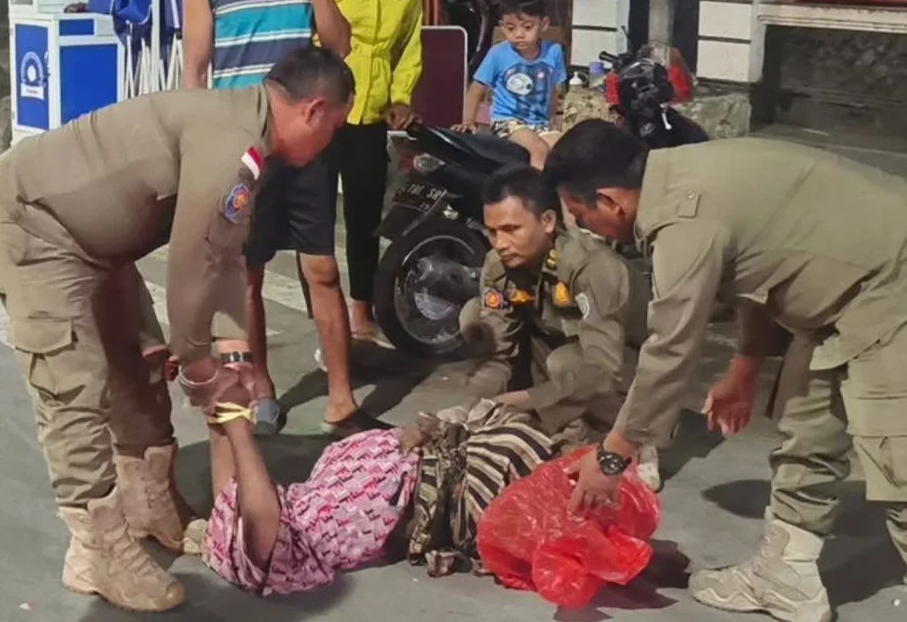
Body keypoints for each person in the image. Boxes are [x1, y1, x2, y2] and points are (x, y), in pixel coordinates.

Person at [0, 46, 354, 613]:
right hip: (35, 228)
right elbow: (191, 267)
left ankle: (149, 503)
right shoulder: (232, 141)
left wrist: (234, 357)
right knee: (74, 387)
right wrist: (200, 366)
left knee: (142, 363)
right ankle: (94, 548)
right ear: (314, 110)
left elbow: (225, 257)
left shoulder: (249, 138)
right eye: (334, 129)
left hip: (97, 246)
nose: (330, 144)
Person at [545, 120, 907, 622]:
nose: (587, 230)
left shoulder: (681, 219)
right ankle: (786, 575)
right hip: (846, 295)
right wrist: (745, 366)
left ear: (610, 201)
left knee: (898, 464)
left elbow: (670, 348)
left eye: (584, 216)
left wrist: (612, 457)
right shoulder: (683, 172)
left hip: (892, 286)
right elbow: (764, 264)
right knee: (808, 426)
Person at [183, 0, 382, 437]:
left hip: (308, 148)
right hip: (243, 152)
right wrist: (199, 152)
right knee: (246, 275)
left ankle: (341, 399)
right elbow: (195, 72)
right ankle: (260, 388)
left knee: (323, 270)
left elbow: (339, 46)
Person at [202, 390, 560, 594]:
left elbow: (231, 499)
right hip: (440, 481)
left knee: (503, 413)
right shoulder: (297, 540)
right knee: (515, 438)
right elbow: (259, 520)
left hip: (423, 459)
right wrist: (236, 428)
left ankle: (557, 404)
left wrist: (219, 419)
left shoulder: (297, 508)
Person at [454, 166, 661, 490]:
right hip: (559, 350)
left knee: (567, 363)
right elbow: (500, 354)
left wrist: (526, 398)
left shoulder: (592, 267)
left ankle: (635, 440)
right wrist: (468, 405)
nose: (501, 243)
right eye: (493, 232)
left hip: (628, 365)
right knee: (475, 319)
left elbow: (602, 367)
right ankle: (566, 425)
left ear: (548, 221)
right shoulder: (499, 266)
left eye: (511, 229)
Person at [320, 0, 423, 343]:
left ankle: (361, 312)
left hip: (373, 111)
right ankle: (323, 315)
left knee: (364, 217)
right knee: (316, 218)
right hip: (323, 106)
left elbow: (410, 43)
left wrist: (401, 97)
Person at [456, 0, 567, 170]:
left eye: (527, 27)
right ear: (502, 27)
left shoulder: (553, 52)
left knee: (566, 149)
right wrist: (468, 121)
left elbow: (553, 91)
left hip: (540, 123)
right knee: (539, 149)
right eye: (510, 28)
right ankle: (533, 187)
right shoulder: (498, 54)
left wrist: (551, 119)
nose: (519, 34)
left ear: (544, 24)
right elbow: (476, 89)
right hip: (507, 122)